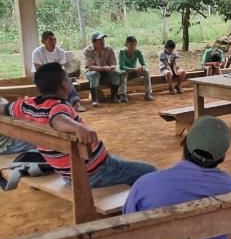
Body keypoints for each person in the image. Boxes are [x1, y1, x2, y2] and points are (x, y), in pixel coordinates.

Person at [1, 63, 156, 187]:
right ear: (64, 85)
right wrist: (78, 127)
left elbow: (3, 108)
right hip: (94, 173)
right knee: (150, 171)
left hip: (69, 173)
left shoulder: (26, 105)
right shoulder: (59, 106)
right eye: (69, 80)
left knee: (122, 164)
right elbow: (57, 119)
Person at [32, 31, 85, 112]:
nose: (53, 42)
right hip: (41, 76)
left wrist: (63, 78)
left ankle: (76, 103)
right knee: (51, 85)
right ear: (43, 42)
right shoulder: (37, 52)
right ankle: (52, 106)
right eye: (50, 40)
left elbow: (60, 69)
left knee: (67, 82)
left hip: (54, 75)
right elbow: (39, 70)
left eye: (54, 40)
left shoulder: (60, 51)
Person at [84, 31, 120, 107]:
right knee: (95, 74)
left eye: (103, 39)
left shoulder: (109, 49)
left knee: (116, 74)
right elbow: (90, 66)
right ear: (93, 42)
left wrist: (112, 67)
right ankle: (95, 100)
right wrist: (103, 68)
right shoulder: (88, 50)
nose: (102, 41)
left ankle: (114, 96)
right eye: (100, 40)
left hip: (106, 72)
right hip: (91, 73)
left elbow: (113, 63)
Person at [117, 36, 153, 103]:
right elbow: (122, 66)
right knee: (123, 72)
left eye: (135, 44)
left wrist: (142, 68)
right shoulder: (122, 52)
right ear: (126, 45)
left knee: (146, 72)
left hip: (133, 72)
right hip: (125, 73)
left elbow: (143, 64)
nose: (133, 47)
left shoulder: (138, 52)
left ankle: (148, 93)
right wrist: (134, 69)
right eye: (131, 44)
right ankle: (122, 94)